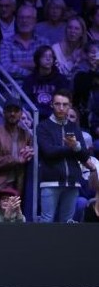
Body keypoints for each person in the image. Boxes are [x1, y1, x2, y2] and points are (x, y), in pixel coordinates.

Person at [37, 90, 91, 223]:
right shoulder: (43, 126)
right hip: (50, 181)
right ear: (51, 105)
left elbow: (84, 155)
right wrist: (73, 147)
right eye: (57, 104)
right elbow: (48, 152)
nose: (61, 108)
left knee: (67, 223)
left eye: (65, 104)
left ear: (70, 105)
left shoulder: (74, 127)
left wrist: (76, 146)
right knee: (46, 220)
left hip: (73, 181)